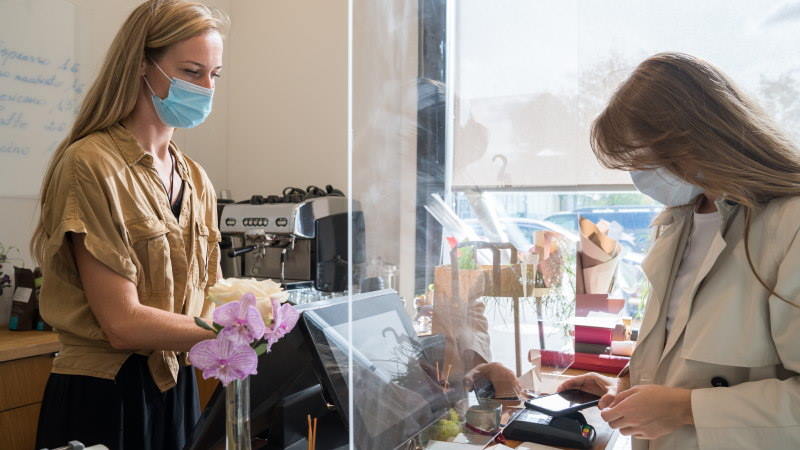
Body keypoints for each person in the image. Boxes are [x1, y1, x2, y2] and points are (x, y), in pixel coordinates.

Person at [558, 52, 800, 449]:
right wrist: (627, 389)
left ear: (697, 138)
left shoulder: (789, 225)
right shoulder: (680, 221)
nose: (641, 175)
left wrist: (687, 409)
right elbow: (684, 356)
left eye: (645, 158)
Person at [32, 1, 227, 448]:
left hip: (176, 387)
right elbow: (122, 324)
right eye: (192, 71)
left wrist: (235, 322)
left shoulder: (195, 179)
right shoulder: (90, 164)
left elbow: (210, 293)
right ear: (143, 65)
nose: (205, 88)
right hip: (105, 394)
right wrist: (228, 331)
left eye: (214, 76)